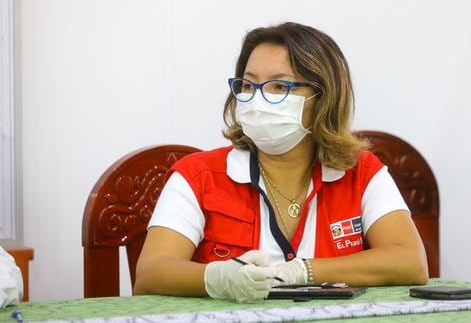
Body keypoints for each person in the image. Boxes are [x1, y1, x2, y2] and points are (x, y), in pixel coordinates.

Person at [134, 22, 428, 303]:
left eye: (279, 86)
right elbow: (151, 272)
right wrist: (218, 278)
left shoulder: (360, 172)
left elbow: (410, 261)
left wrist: (303, 271)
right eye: (248, 85)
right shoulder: (197, 176)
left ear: (323, 97)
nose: (258, 99)